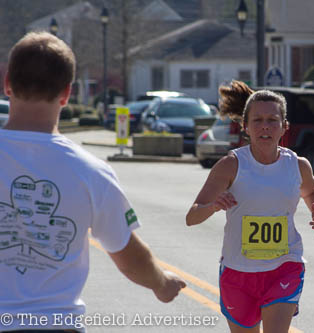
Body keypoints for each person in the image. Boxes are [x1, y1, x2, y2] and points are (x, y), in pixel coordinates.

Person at [0, 32, 185, 332]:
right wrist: (162, 283)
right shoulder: (90, 171)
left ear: (7, 82)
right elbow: (129, 255)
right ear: (67, 93)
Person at [186, 80, 314, 333]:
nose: (265, 127)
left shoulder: (298, 165)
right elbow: (192, 217)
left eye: (272, 120)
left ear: (284, 127)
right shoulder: (231, 165)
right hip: (238, 272)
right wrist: (214, 205)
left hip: (285, 266)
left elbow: (313, 190)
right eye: (257, 120)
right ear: (245, 127)